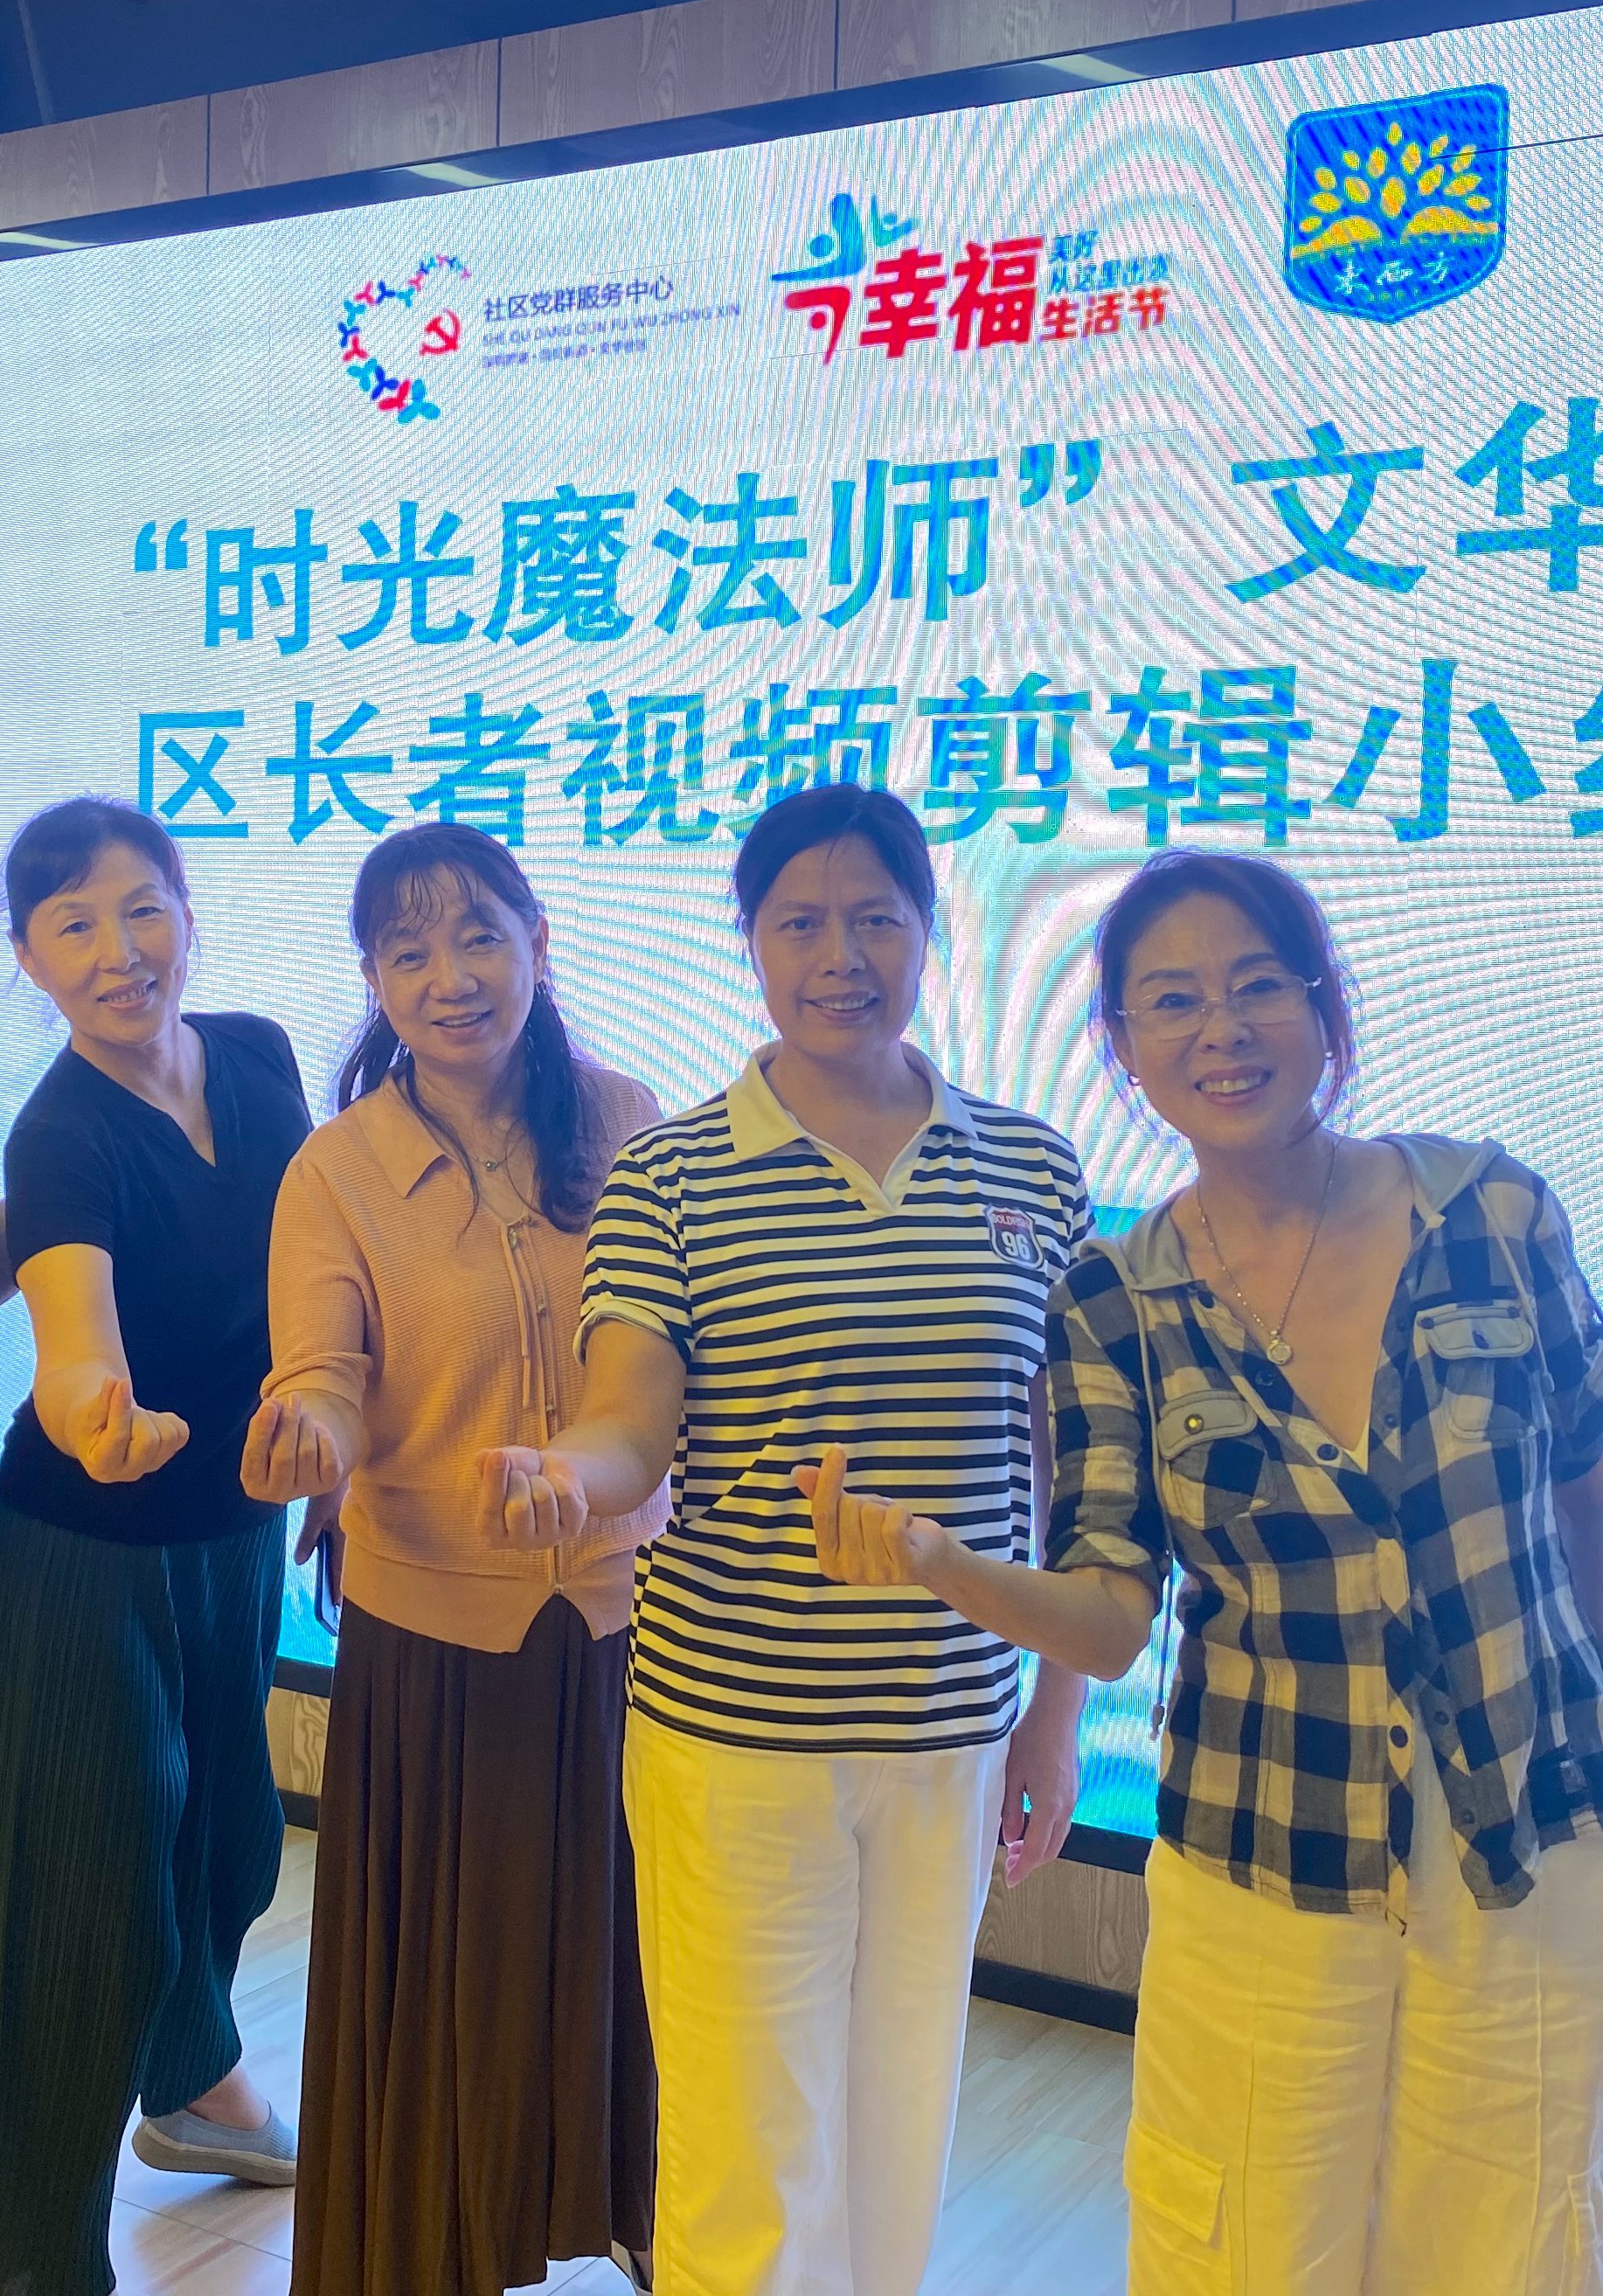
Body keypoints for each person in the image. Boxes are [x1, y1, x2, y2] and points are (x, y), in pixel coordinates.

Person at [801, 849, 1603, 2296]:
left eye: (1257, 987)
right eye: (1172, 1002)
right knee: (1243, 2252)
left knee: (1524, 2246)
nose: (1222, 1030)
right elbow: (1109, 1614)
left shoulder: (1495, 1216)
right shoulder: (1114, 1301)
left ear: (1326, 1009)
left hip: (1536, 1837)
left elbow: (1596, 1499)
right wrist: (938, 1562)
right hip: (1264, 1852)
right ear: (1123, 1049)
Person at [480, 782, 1094, 2296]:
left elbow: (1071, 1471)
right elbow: (632, 1422)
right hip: (735, 1735)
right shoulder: (674, 1172)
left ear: (930, 933)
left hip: (952, 1728)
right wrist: (568, 1473)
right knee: (751, 2140)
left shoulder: (1032, 1168)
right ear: (750, 942)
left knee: (901, 2119)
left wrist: (1056, 1717)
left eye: (877, 919)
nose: (841, 956)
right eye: (801, 923)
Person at [257, 824, 665, 2296]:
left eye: (481, 935)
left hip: (635, 1628)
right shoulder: (339, 1168)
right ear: (374, 980)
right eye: (410, 950)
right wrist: (306, 1433)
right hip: (436, 1645)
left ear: (537, 943)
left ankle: (650, 2227)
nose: (452, 976)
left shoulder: (627, 1121)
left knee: (639, 1966)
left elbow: (672, 1356)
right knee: (456, 1994)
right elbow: (322, 1371)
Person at [0, 797, 314, 2296]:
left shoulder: (257, 1056)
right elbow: (72, 1335)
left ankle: (191, 2092)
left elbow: (322, 1273)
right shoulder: (61, 1132)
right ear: (30, 958)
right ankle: (41, 2271)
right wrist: (95, 1413)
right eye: (74, 925)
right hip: (85, 1556)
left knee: (228, 1846)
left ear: (188, 913)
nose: (119, 952)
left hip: (236, 1531)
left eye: (142, 909)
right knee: (78, 1925)